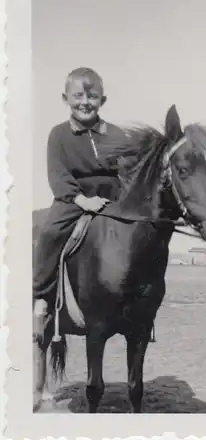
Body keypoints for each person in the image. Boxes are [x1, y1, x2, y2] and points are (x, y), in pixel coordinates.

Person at [33, 67, 124, 339]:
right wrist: (82, 200)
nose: (85, 102)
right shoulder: (59, 134)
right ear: (65, 99)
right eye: (78, 96)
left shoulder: (116, 134)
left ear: (102, 101)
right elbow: (58, 174)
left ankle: (141, 301)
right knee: (49, 234)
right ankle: (42, 297)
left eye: (92, 96)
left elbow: (128, 170)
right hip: (74, 198)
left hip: (112, 198)